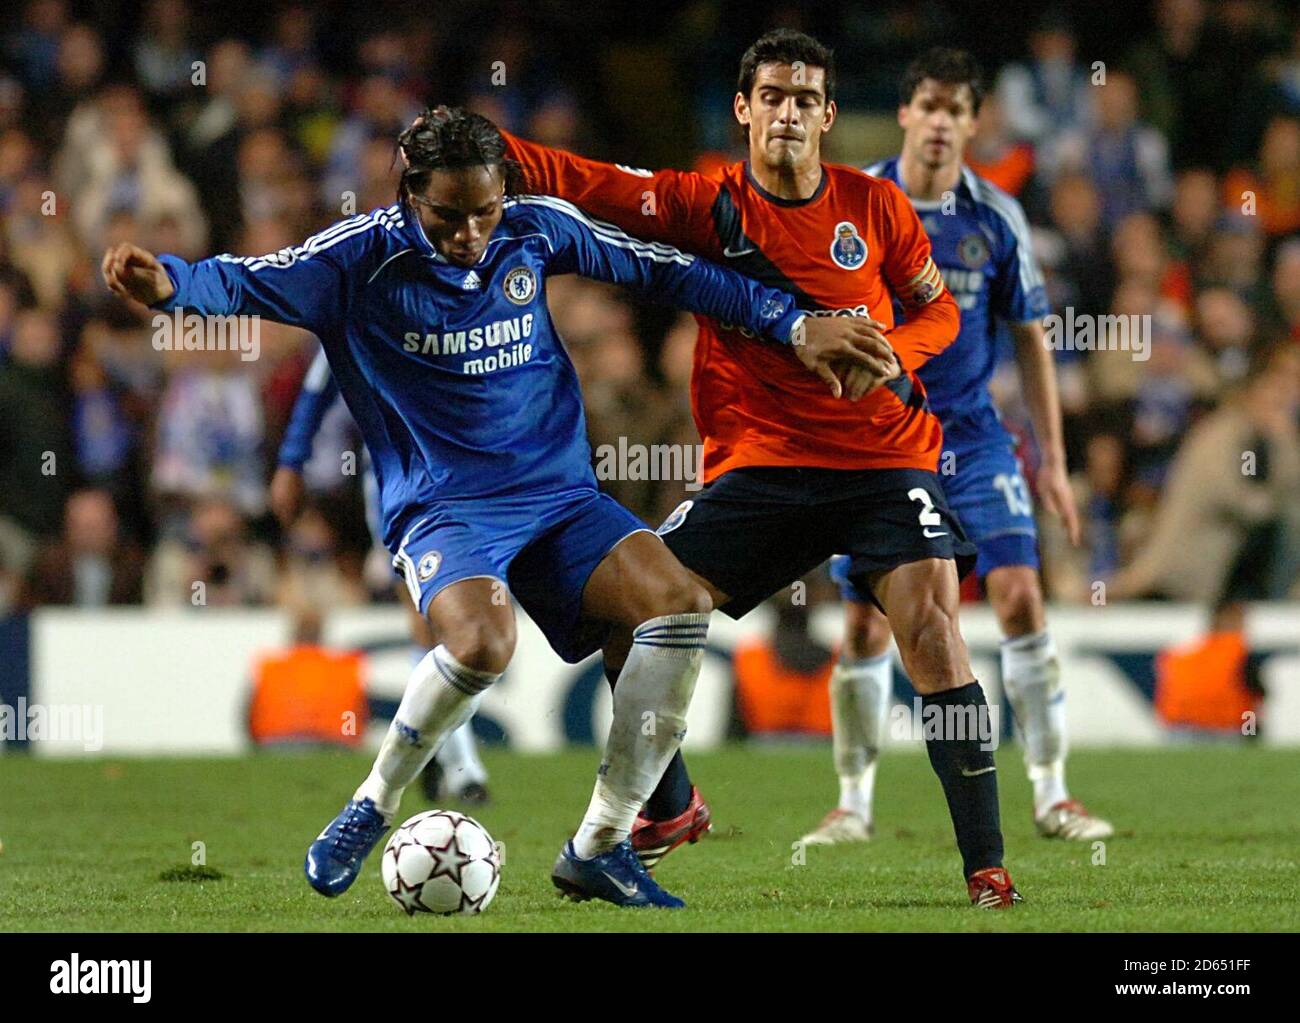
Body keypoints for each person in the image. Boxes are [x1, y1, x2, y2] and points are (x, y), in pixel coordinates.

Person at [101, 105, 884, 910]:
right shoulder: (355, 258)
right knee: (483, 644)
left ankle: (601, 845)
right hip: (445, 504)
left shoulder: (536, 229)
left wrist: (790, 322)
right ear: (410, 194)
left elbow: (665, 268)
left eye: (486, 209)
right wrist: (171, 285)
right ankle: (373, 802)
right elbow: (244, 278)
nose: (471, 231)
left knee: (678, 601)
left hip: (559, 495)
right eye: (449, 214)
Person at [504, 29, 1025, 907]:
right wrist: (500, 152)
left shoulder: (876, 206)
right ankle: (668, 806)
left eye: (805, 98)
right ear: (745, 110)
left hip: (884, 458)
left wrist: (894, 351)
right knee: (626, 607)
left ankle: (987, 868)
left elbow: (937, 311)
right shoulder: (702, 205)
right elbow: (589, 180)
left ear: (827, 116)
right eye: (772, 96)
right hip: (763, 467)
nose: (788, 111)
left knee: (934, 631)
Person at [807, 48, 1113, 848]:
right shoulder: (855, 205)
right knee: (868, 625)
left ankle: (1053, 792)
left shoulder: (996, 215)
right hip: (882, 439)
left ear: (974, 124)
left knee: (1019, 595)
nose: (941, 122)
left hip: (975, 439)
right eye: (928, 106)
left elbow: (1032, 338)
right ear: (905, 113)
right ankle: (853, 802)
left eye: (956, 110)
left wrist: (1051, 460)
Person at [271, 347, 492, 805]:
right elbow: (321, 377)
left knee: (472, 618)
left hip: (478, 472)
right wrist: (293, 460)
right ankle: (464, 767)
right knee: (428, 618)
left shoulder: (477, 290)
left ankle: (438, 752)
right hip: (400, 475)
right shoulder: (368, 290)